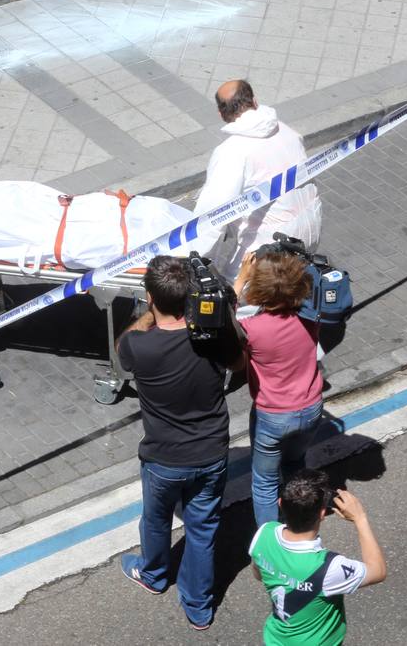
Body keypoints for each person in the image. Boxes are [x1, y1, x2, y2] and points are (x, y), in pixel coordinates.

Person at [117, 254, 245, 631]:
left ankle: (153, 575)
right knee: (202, 529)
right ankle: (199, 607)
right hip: (211, 452)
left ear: (150, 298)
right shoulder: (211, 337)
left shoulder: (140, 347)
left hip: (163, 458)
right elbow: (239, 364)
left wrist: (148, 312)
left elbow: (123, 345)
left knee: (156, 520)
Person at [193, 80, 323, 281]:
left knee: (241, 296)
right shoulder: (284, 129)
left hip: (272, 242)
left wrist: (195, 259)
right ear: (254, 101)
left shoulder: (232, 152)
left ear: (221, 114)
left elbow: (212, 214)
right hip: (310, 224)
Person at [233, 250, 325, 527]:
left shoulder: (251, 329)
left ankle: (269, 546)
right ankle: (300, 523)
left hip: (272, 416)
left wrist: (239, 280)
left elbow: (221, 319)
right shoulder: (312, 318)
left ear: (257, 288)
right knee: (295, 465)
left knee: (264, 484)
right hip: (311, 409)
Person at [248, 469, 386, 646]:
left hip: (276, 639)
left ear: (280, 503)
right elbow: (378, 571)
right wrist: (360, 519)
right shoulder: (330, 568)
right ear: (322, 513)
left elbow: (259, 574)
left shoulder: (263, 534)